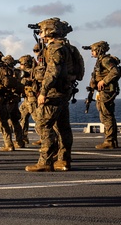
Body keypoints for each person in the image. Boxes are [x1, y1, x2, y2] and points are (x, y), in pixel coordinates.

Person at [26, 17, 83, 172]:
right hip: (64, 91)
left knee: (43, 125)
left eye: (42, 30)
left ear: (50, 31)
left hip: (53, 92)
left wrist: (43, 92)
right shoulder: (67, 47)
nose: (40, 33)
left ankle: (45, 161)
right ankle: (63, 160)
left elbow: (52, 72)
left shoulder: (55, 48)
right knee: (63, 127)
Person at [87, 41, 121, 149]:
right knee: (106, 114)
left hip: (107, 91)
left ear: (99, 50)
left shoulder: (105, 60)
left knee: (106, 115)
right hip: (103, 91)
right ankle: (111, 140)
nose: (92, 52)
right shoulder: (101, 61)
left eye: (93, 50)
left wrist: (104, 81)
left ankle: (110, 141)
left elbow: (115, 71)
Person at [17, 54, 39, 145]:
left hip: (32, 98)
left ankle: (44, 137)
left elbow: (25, 81)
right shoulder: (23, 71)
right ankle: (23, 137)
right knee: (22, 117)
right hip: (26, 98)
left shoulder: (32, 72)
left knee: (37, 118)